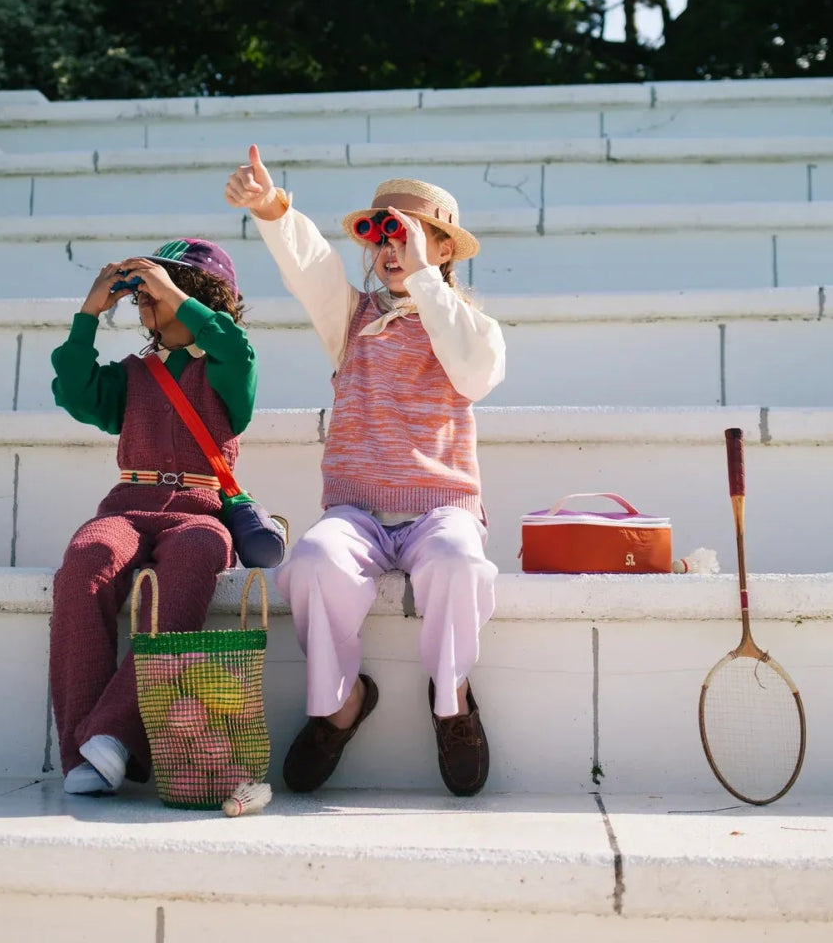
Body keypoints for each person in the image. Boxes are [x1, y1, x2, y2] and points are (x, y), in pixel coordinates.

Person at [225, 147, 505, 797]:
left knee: (459, 564)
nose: (389, 247)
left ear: (442, 248)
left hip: (442, 509)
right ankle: (339, 703)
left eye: (407, 234)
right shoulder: (352, 319)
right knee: (314, 562)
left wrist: (425, 282)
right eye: (381, 232)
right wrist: (272, 208)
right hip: (356, 511)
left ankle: (452, 694)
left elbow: (473, 374)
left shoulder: (471, 327)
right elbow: (310, 267)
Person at [49, 238, 256, 795]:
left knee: (195, 560)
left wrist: (170, 291)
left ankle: (113, 736)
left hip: (200, 512)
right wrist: (89, 314)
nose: (144, 305)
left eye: (156, 295)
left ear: (196, 297)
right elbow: (73, 390)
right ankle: (81, 754)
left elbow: (232, 344)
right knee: (85, 561)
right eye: (142, 297)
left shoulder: (228, 367)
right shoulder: (132, 374)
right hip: (127, 506)